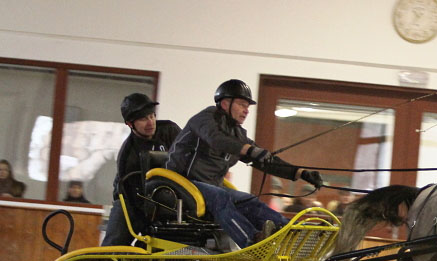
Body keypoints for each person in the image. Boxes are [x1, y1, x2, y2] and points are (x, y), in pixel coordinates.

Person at [165, 79, 324, 248]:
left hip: (210, 188)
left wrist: (301, 173)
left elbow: (265, 161)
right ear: (225, 103)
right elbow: (217, 140)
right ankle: (253, 240)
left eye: (247, 107)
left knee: (250, 201)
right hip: (182, 185)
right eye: (242, 105)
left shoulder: (237, 134)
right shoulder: (205, 119)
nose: (246, 111)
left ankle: (291, 232)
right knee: (221, 196)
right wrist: (249, 150)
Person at [101, 93, 181, 246]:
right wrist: (147, 222)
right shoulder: (127, 154)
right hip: (130, 201)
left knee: (156, 247)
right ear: (130, 124)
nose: (150, 122)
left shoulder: (170, 130)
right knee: (113, 245)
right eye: (144, 119)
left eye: (152, 116)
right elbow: (130, 195)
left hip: (163, 202)